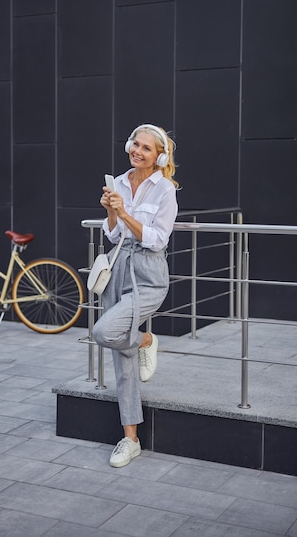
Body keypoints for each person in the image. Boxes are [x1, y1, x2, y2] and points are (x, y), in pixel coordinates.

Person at [93, 123, 178, 468]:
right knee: (122, 365)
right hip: (118, 270)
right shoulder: (119, 181)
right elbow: (114, 236)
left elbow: (157, 239)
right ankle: (130, 440)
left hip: (149, 275)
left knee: (103, 332)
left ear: (159, 156)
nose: (137, 151)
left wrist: (124, 213)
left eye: (146, 147)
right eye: (135, 144)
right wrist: (111, 209)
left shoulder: (165, 190)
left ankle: (145, 341)